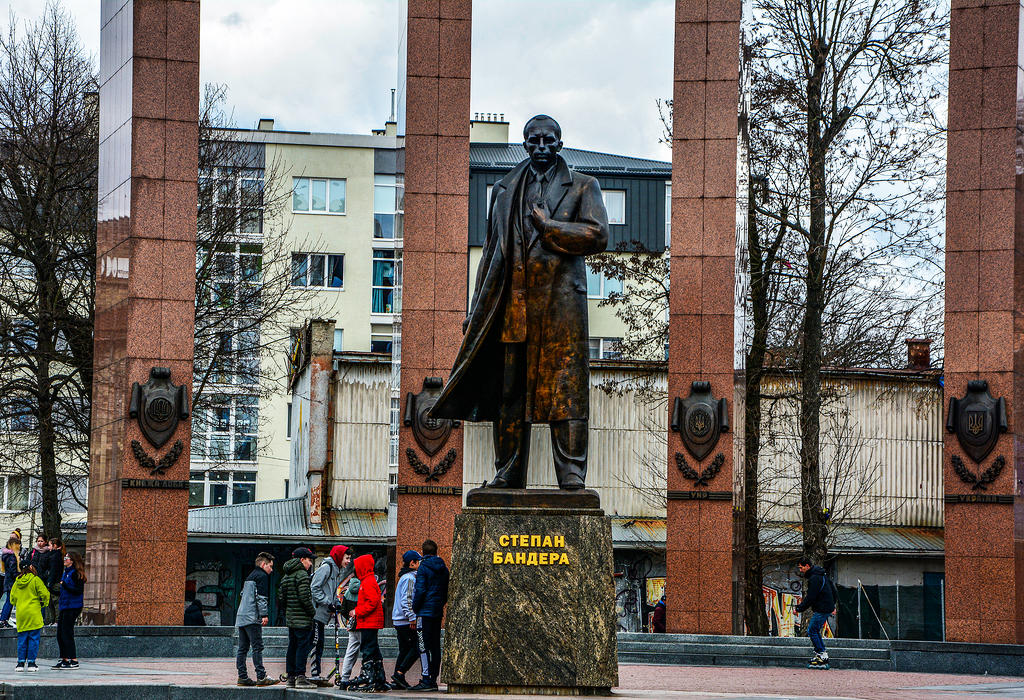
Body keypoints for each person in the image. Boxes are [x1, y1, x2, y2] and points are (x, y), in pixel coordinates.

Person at [430, 114, 609, 491]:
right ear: (525, 144)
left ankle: (572, 473)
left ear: (560, 144)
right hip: (513, 305)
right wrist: (476, 309)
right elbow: (491, 253)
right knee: (510, 392)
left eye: (548, 141)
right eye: (534, 141)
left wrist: (550, 229)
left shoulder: (582, 187)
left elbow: (597, 235)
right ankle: (508, 470)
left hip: (561, 311)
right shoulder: (504, 190)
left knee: (566, 391)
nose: (541, 147)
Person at [309, 544, 351, 685]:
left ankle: (316, 674)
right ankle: (314, 674)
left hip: (322, 614)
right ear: (339, 556)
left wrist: (336, 603)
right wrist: (328, 602)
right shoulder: (327, 567)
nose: (348, 561)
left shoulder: (336, 570)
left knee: (319, 643)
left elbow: (330, 590)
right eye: (347, 558)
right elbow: (314, 588)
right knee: (316, 643)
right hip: (316, 613)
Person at [411, 539, 449, 691]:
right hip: (437, 612)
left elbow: (420, 590)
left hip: (424, 612)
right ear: (436, 551)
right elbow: (446, 591)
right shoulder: (444, 568)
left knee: (423, 646)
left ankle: (426, 679)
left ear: (423, 552)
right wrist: (439, 605)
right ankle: (433, 678)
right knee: (435, 646)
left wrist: (415, 607)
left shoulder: (423, 567)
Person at [235, 552, 277, 686]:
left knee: (242, 648)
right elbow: (261, 598)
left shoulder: (250, 576)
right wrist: (264, 615)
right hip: (252, 617)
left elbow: (243, 594)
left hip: (242, 616)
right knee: (257, 647)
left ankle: (242, 677)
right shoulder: (262, 576)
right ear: (263, 564)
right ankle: (261, 676)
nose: (271, 569)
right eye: (270, 566)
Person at [347, 553, 388, 692]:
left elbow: (372, 602)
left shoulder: (367, 582)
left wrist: (357, 611)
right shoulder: (368, 580)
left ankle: (368, 676)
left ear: (362, 568)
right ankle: (379, 677)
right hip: (370, 621)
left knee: (368, 649)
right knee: (374, 649)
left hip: (368, 622)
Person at [278, 547, 316, 689]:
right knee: (302, 646)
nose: (311, 563)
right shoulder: (302, 575)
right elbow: (305, 597)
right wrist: (312, 612)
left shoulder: (286, 575)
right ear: (302, 559)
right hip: (302, 619)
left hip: (291, 618)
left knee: (292, 646)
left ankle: (291, 676)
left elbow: (281, 598)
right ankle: (301, 676)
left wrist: (289, 611)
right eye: (309, 560)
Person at [391, 549, 427, 689]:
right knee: (417, 647)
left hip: (400, 620)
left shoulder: (405, 577)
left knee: (405, 649)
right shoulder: (410, 578)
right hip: (406, 621)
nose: (421, 564)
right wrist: (412, 618)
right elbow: (407, 600)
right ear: (412, 563)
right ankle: (400, 673)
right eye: (419, 561)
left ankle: (397, 678)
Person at [794, 557, 837, 669]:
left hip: (822, 608)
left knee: (812, 630)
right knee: (814, 630)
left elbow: (811, 597)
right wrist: (833, 605)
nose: (800, 570)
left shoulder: (815, 578)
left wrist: (799, 608)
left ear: (807, 566)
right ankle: (821, 653)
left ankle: (822, 654)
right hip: (825, 606)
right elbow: (833, 589)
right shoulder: (821, 575)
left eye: (801, 567)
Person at [9, 564, 49, 672]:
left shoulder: (17, 582)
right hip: (34, 613)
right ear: (31, 568)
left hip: (21, 614)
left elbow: (12, 599)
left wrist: (19, 603)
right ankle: (31, 663)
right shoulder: (36, 580)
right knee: (33, 639)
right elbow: (45, 594)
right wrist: (43, 604)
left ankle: (20, 663)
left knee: (22, 639)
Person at [54, 551, 85, 669]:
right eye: (65, 557)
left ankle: (73, 659)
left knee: (67, 633)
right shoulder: (66, 573)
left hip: (73, 606)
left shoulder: (76, 573)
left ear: (72, 560)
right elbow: (64, 590)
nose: (65, 559)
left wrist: (65, 586)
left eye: (67, 558)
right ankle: (64, 658)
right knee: (60, 633)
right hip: (65, 605)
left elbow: (77, 590)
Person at [336, 574, 362, 688]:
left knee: (350, 652)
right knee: (367, 651)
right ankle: (365, 675)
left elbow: (344, 609)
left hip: (352, 626)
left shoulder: (347, 592)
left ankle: (344, 678)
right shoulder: (363, 588)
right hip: (363, 625)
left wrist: (350, 620)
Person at [0, 536, 21, 628]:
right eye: (18, 545)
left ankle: (4, 619)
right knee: (9, 601)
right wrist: (19, 576)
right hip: (11, 582)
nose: (19, 547)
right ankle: (3, 619)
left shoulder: (5, 556)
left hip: (8, 581)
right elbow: (13, 570)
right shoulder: (12, 557)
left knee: (9, 601)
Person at [45, 537, 65, 625]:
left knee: (54, 602)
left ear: (55, 546)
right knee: (53, 602)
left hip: (54, 583)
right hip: (55, 582)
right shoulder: (58, 555)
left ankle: (55, 620)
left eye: (49, 545)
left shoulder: (54, 557)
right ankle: (54, 620)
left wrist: (49, 583)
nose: (48, 548)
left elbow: (53, 571)